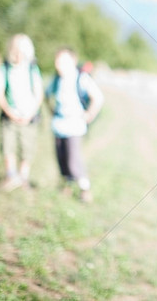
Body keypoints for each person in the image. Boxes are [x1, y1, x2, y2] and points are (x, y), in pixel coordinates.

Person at [45, 48, 104, 203]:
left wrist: (89, 114)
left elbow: (98, 97)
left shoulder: (81, 78)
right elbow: (46, 94)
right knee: (61, 157)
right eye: (57, 60)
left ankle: (85, 189)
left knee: (73, 160)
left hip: (74, 126)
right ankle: (67, 185)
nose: (58, 64)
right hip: (59, 124)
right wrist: (51, 110)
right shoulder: (56, 79)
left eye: (62, 60)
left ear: (72, 61)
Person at [0, 33, 43, 191]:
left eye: (21, 51)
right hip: (9, 117)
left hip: (30, 117)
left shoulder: (32, 69)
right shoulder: (4, 69)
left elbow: (39, 94)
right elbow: (0, 93)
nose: (17, 54)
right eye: (14, 50)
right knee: (8, 146)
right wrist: (10, 113)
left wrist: (30, 114)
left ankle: (23, 179)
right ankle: (11, 176)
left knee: (27, 148)